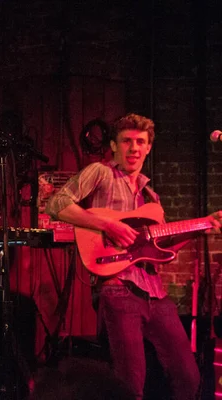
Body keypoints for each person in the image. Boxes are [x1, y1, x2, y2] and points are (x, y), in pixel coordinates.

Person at [45, 113, 222, 399]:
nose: (134, 148)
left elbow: (163, 252)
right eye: (126, 141)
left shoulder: (151, 197)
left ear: (149, 147)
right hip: (117, 287)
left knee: (188, 377)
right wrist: (108, 225)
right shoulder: (100, 172)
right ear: (114, 146)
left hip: (154, 293)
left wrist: (201, 226)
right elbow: (57, 204)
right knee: (130, 383)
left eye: (140, 142)